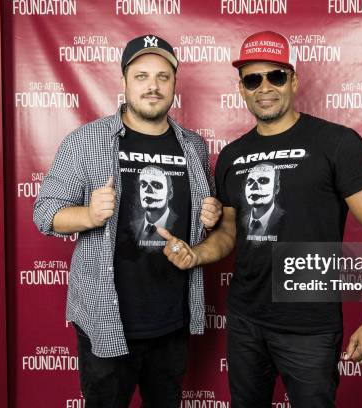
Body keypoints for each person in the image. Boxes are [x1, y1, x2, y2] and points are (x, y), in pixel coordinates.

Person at [157, 31, 362, 407]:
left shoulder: (337, 143)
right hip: (246, 321)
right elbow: (229, 232)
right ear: (242, 88)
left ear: (294, 80)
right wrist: (198, 254)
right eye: (253, 79)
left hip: (310, 326)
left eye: (276, 76)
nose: (264, 87)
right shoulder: (234, 155)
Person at [33, 34, 222, 408]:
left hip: (172, 320)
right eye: (141, 76)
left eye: (162, 77)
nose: (152, 86)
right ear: (123, 82)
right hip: (106, 318)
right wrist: (88, 214)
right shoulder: (85, 142)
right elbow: (44, 214)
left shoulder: (194, 146)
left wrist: (210, 216)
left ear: (173, 85)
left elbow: (206, 221)